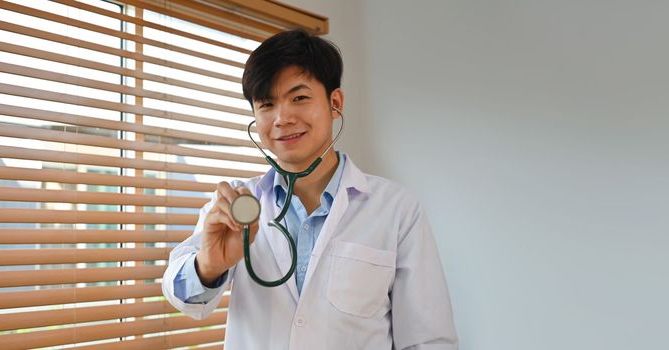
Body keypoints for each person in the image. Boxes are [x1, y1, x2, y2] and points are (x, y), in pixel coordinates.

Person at [162, 29, 458, 350]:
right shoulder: (235, 203)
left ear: (335, 103)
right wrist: (209, 265)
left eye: (299, 97)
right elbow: (182, 297)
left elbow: (428, 340)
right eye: (266, 104)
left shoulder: (396, 209)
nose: (282, 118)